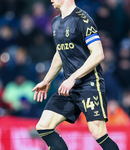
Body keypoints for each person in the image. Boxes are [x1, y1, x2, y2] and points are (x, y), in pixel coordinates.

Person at [32, 0, 119, 150]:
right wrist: (47, 80)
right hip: (69, 86)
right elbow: (60, 54)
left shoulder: (83, 20)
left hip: (89, 83)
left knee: (98, 132)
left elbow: (98, 54)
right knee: (44, 126)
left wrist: (73, 78)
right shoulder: (55, 22)